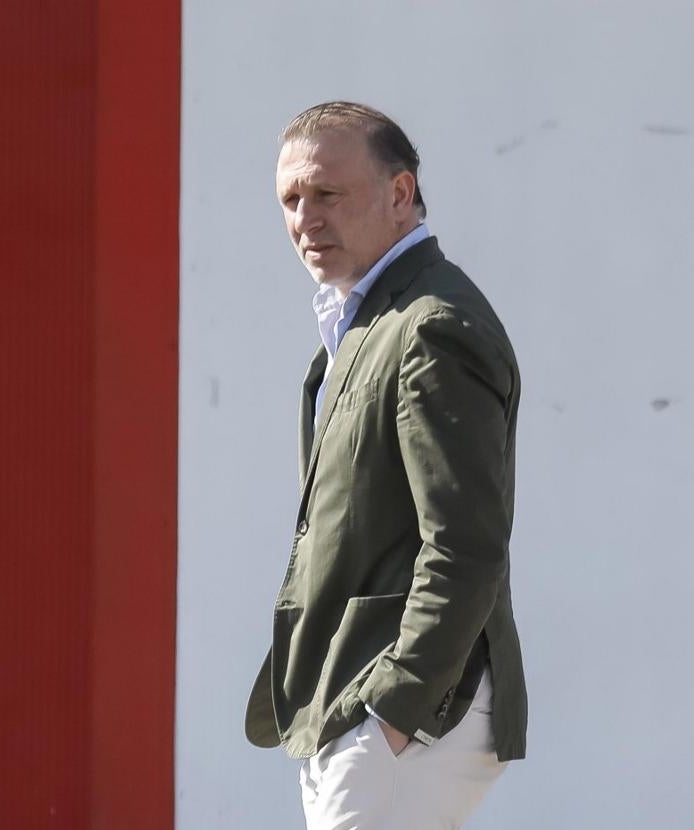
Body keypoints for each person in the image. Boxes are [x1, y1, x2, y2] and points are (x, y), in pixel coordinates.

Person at [244, 101, 528, 829]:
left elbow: (466, 544)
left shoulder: (431, 325)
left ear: (401, 193)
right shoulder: (363, 324)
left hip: (412, 711)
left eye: (326, 194)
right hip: (350, 701)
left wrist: (397, 709)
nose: (305, 217)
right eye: (290, 199)